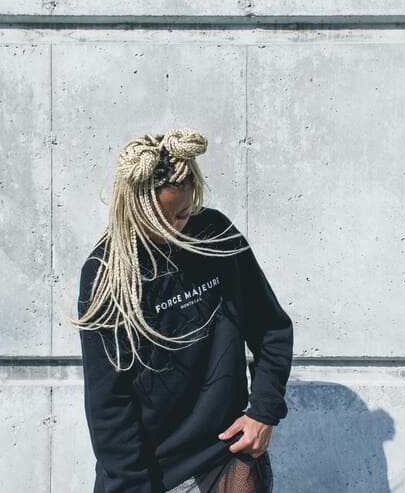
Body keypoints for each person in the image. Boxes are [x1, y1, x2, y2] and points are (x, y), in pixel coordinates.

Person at [68, 128, 294, 492]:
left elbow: (271, 328)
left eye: (184, 214)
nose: (175, 228)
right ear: (136, 208)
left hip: (222, 452)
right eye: (162, 219)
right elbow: (108, 402)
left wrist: (263, 412)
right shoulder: (107, 273)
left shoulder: (215, 235)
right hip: (148, 468)